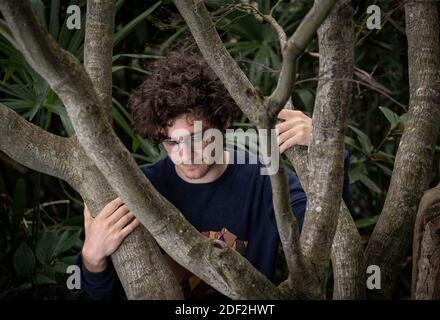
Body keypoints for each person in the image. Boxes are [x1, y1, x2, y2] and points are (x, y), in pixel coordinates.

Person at [75, 51, 352, 300]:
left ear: (224, 123)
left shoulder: (264, 181)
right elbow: (105, 293)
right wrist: (91, 261)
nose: (186, 154)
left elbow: (332, 240)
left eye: (198, 138)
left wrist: (328, 150)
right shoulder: (139, 187)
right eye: (172, 143)